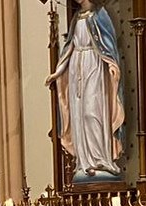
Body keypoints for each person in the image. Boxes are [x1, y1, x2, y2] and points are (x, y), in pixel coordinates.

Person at [45, 0, 125, 179]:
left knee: (92, 113)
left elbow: (108, 44)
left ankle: (101, 159)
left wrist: (112, 64)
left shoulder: (100, 15)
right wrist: (57, 73)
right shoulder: (75, 19)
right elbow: (69, 48)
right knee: (79, 116)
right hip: (76, 69)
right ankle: (84, 162)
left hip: (95, 68)